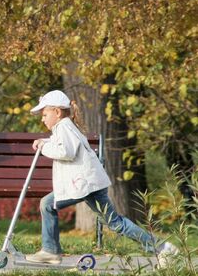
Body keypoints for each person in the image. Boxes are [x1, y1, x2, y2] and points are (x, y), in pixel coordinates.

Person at [25, 90, 179, 267]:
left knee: (51, 205)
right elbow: (61, 145)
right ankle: (162, 248)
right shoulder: (64, 127)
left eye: (44, 114)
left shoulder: (64, 127)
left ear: (57, 112)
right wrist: (44, 142)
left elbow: (65, 151)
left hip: (84, 185)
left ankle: (51, 251)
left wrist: (43, 147)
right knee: (112, 222)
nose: (42, 119)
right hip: (85, 184)